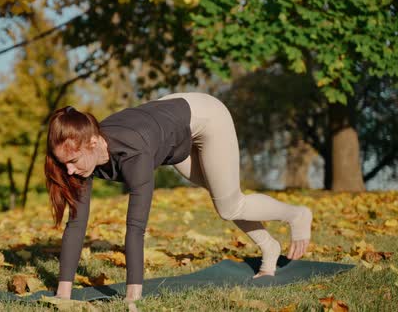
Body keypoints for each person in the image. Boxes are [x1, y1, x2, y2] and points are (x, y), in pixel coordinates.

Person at [44, 92, 312, 302]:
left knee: (229, 204)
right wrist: (63, 293)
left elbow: (135, 227)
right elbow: (77, 223)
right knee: (223, 197)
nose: (68, 170)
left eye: (72, 161)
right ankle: (270, 247)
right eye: (63, 162)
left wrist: (132, 297)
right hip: (168, 120)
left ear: (92, 142)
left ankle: (297, 215)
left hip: (205, 117)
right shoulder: (83, 152)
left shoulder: (134, 153)